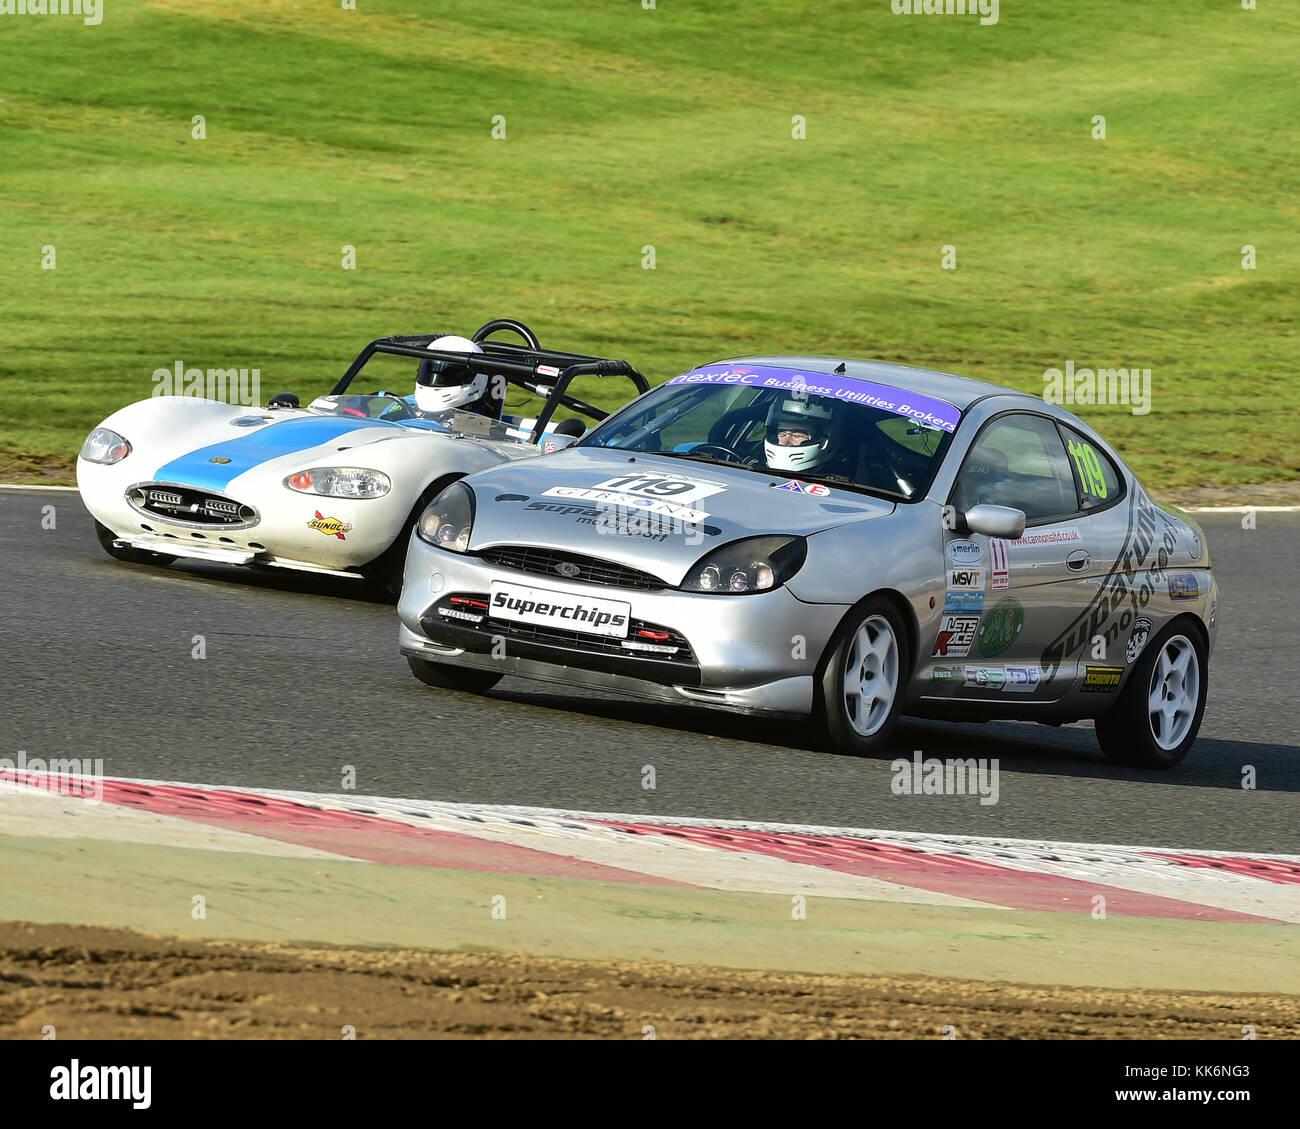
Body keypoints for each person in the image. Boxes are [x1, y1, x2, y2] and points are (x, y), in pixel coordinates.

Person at [413, 335, 504, 418]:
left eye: (447, 376)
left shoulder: (476, 423)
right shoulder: (409, 402)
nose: (434, 379)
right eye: (428, 372)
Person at [762, 395, 853, 477]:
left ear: (826, 440)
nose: (784, 442)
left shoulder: (847, 480)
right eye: (782, 434)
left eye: (796, 436)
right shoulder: (753, 463)